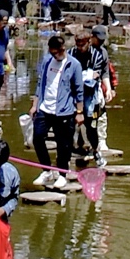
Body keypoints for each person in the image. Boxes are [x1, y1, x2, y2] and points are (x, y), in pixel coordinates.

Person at [31, 29, 82, 177]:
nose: (54, 56)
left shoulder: (74, 65)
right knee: (37, 138)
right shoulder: (47, 60)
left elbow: (79, 91)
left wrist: (79, 113)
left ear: (63, 49)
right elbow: (40, 84)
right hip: (45, 108)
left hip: (64, 110)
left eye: (56, 53)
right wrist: (35, 104)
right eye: (51, 53)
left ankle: (62, 174)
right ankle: (46, 170)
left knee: (64, 145)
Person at [74, 26, 113, 161]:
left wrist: (108, 88)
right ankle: (79, 145)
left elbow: (100, 74)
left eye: (82, 45)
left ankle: (97, 147)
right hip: (75, 92)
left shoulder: (100, 54)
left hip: (91, 93)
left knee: (93, 121)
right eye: (78, 45)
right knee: (75, 121)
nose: (80, 48)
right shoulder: (72, 53)